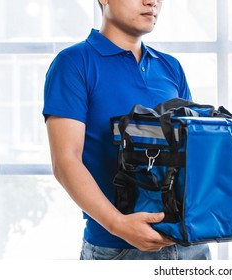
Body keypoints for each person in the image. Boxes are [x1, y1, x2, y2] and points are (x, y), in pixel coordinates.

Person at [42, 0, 210, 260]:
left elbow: (189, 155)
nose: (151, 2)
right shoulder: (74, 63)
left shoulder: (171, 67)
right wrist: (118, 225)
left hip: (190, 246)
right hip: (118, 248)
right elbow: (65, 161)